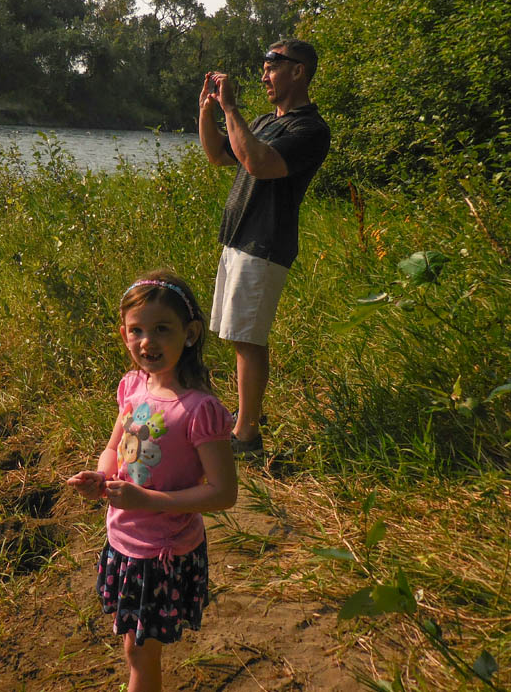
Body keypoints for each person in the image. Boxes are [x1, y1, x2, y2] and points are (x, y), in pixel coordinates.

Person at [67, 271, 238, 692]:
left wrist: (145, 500)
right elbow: (114, 448)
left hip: (162, 554)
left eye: (162, 329)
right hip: (124, 540)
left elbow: (223, 493)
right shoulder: (132, 386)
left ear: (190, 333)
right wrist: (101, 476)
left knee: (140, 655)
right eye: (137, 330)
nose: (148, 341)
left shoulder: (199, 409)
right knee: (135, 648)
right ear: (123, 334)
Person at [198, 39, 331, 455]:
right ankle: (247, 416)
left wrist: (231, 109)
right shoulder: (261, 122)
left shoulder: (310, 130)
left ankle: (247, 436)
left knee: (248, 339)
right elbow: (219, 156)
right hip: (238, 238)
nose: (264, 77)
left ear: (298, 71)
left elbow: (259, 163)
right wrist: (208, 110)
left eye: (271, 69)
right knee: (238, 335)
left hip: (266, 242)